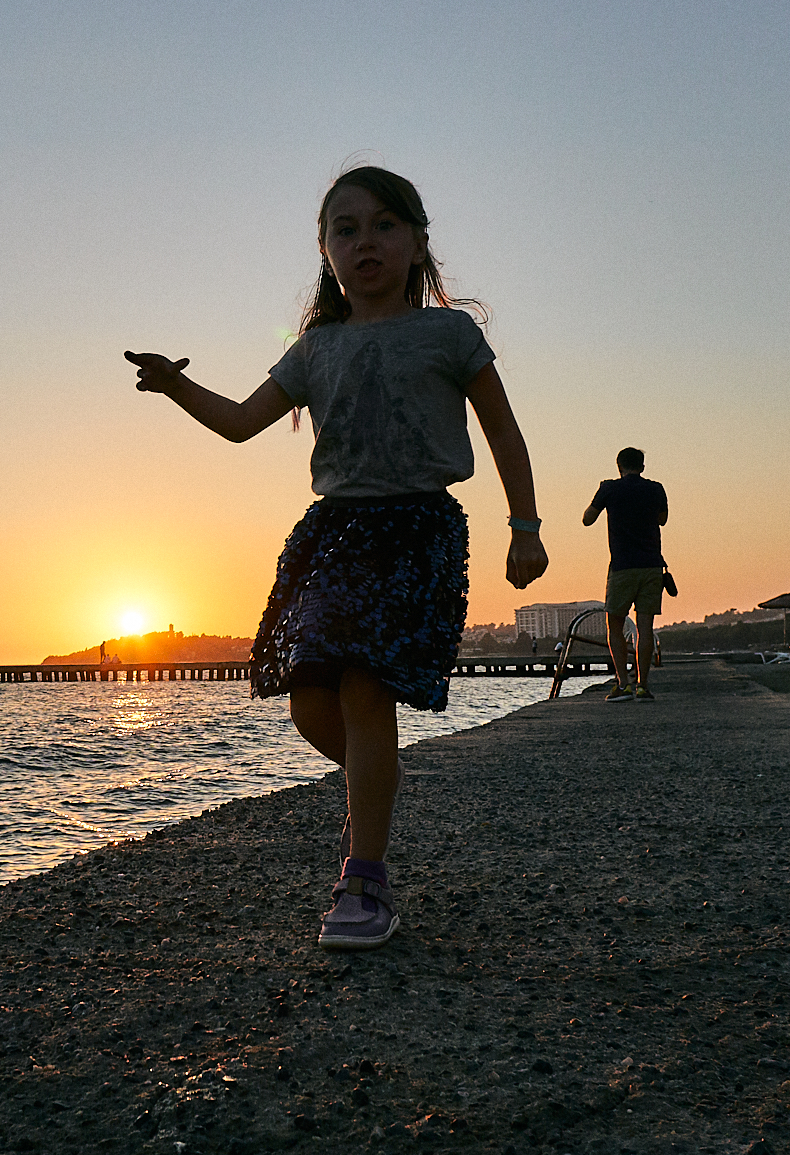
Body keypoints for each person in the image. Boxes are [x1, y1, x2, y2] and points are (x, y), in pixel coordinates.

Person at [126, 165, 549, 952]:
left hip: (416, 528)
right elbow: (242, 421)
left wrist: (525, 525)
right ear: (324, 251)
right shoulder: (316, 348)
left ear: (420, 242)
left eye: (385, 225)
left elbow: (502, 431)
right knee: (309, 700)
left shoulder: (448, 335)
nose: (366, 242)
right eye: (345, 229)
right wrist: (176, 388)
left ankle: (364, 879)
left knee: (364, 688)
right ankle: (375, 777)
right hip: (334, 535)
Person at [581, 447, 668, 702]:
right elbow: (662, 519)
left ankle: (623, 684)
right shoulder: (656, 489)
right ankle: (643, 686)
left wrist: (604, 497)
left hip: (622, 566)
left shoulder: (609, 488)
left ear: (619, 466)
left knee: (615, 626)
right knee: (645, 627)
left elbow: (587, 519)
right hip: (652, 565)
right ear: (642, 466)